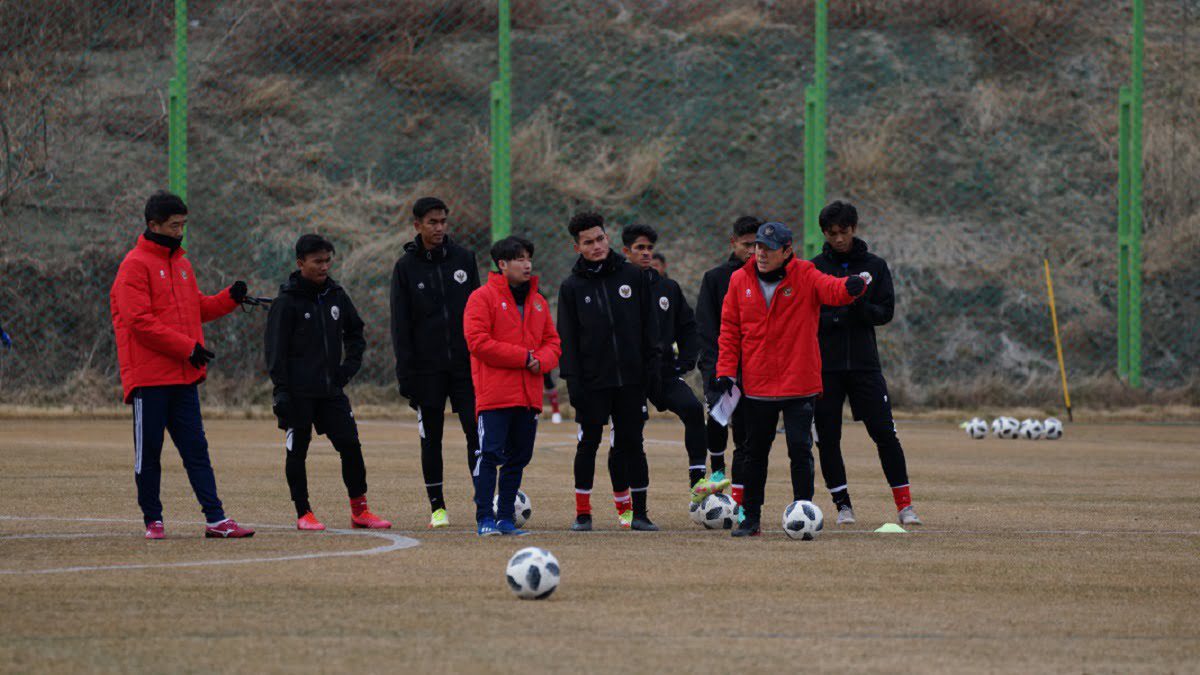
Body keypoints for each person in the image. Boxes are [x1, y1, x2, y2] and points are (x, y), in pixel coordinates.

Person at [109, 191, 254, 539]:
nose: (180, 232)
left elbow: (196, 308)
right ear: (153, 225)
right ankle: (153, 520)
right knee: (149, 453)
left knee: (196, 450)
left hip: (183, 377)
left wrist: (229, 299)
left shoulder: (182, 264)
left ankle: (216, 519)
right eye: (174, 225)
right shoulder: (134, 265)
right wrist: (188, 348)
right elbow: (138, 322)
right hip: (149, 379)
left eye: (183, 225)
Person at [715, 221, 866, 537]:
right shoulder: (739, 279)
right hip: (757, 383)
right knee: (755, 453)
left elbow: (832, 289)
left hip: (799, 382)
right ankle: (750, 519)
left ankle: (803, 512)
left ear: (787, 251)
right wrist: (725, 371)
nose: (761, 253)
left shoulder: (806, 274)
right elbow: (729, 329)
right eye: (758, 247)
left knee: (799, 449)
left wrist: (852, 287)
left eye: (769, 249)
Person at [266, 234, 391, 531]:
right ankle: (304, 512)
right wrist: (281, 390)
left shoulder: (336, 295)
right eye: (317, 261)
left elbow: (356, 333)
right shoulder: (286, 302)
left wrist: (347, 369)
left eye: (327, 261)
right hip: (298, 392)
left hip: (331, 390)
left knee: (350, 445)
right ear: (301, 263)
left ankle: (360, 511)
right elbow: (274, 351)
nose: (324, 267)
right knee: (297, 450)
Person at [810, 201, 921, 526]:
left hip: (864, 365)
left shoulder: (875, 266)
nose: (838, 239)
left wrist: (858, 308)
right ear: (824, 233)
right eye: (832, 233)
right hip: (825, 368)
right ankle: (843, 506)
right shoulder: (814, 268)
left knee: (884, 433)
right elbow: (808, 314)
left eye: (843, 232)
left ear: (854, 229)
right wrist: (835, 315)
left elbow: (885, 312)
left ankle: (905, 507)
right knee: (827, 438)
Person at [558, 212, 661, 532]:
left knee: (632, 444)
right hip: (592, 382)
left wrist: (650, 368)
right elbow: (568, 338)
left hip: (631, 380)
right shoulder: (571, 287)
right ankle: (583, 514)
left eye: (600, 239)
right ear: (577, 247)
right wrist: (573, 381)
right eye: (588, 242)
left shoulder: (633, 276)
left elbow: (650, 326)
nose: (597, 246)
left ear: (608, 238)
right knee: (588, 443)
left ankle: (639, 513)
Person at [390, 196, 481, 529]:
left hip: (465, 366)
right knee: (431, 438)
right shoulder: (405, 268)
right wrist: (406, 373)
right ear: (418, 225)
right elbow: (400, 325)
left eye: (443, 221)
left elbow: (478, 312)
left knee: (477, 434)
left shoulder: (464, 259)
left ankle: (483, 500)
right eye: (432, 222)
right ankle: (437, 507)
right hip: (426, 369)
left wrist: (480, 359)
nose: (439, 227)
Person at [621, 224, 729, 503]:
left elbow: (688, 327)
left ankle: (698, 482)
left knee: (692, 409)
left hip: (663, 371)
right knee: (631, 430)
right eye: (640, 248)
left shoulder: (667, 288)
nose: (646, 253)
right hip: (630, 375)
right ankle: (633, 504)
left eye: (649, 248)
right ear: (626, 252)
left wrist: (685, 361)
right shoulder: (618, 287)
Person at [463, 236, 561, 536]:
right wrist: (523, 357)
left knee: (518, 459)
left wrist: (541, 361)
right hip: (495, 396)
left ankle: (505, 518)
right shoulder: (482, 297)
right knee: (489, 455)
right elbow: (478, 342)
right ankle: (484, 518)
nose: (527, 264)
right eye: (520, 259)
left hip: (528, 397)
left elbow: (553, 343)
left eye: (528, 258)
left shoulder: (538, 301)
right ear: (502, 264)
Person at [696, 216, 760, 515]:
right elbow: (706, 328)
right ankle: (717, 475)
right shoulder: (715, 278)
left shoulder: (766, 278)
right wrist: (717, 369)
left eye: (757, 245)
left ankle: (740, 503)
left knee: (746, 437)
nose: (752, 251)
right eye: (747, 244)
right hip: (721, 367)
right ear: (733, 242)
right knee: (718, 420)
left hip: (754, 370)